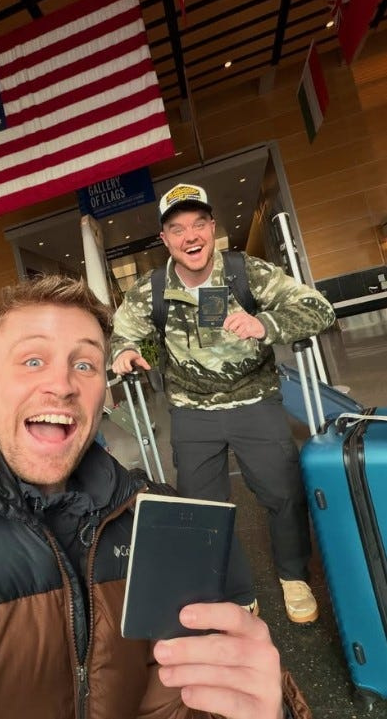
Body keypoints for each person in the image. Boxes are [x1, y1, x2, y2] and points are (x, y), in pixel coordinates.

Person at [0, 274, 310, 719]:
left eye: (85, 365)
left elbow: (186, 695)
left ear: (102, 392)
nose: (62, 384)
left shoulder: (156, 515)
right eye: (32, 359)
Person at [111, 184, 336, 625]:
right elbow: (123, 333)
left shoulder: (245, 273)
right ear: (165, 240)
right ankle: (233, 589)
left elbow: (318, 309)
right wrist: (122, 352)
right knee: (203, 507)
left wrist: (264, 322)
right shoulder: (150, 290)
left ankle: (293, 576)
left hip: (255, 400)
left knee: (283, 494)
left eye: (198, 224)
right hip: (192, 412)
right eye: (177, 229)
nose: (190, 236)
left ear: (212, 228)